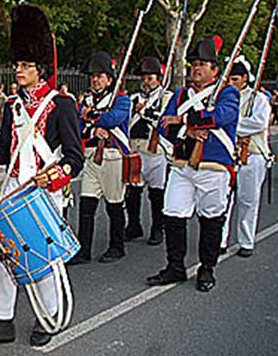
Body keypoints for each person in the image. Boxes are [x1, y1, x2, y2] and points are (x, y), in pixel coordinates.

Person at [0, 5, 84, 348]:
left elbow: (75, 157)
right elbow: (5, 151)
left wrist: (56, 176)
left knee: (41, 259)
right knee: (3, 256)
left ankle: (48, 318)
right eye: (17, 65)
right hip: (14, 187)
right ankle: (2, 321)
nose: (19, 70)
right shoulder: (14, 106)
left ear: (40, 69)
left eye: (26, 65)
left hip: (46, 192)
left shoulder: (61, 104)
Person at [146, 36, 239, 293]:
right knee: (173, 214)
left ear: (215, 70)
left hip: (214, 167)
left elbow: (223, 116)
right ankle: (175, 266)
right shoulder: (180, 94)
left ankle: (207, 268)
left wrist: (184, 119)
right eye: (194, 63)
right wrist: (186, 131)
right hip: (182, 165)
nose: (196, 68)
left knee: (211, 219)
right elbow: (164, 125)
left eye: (203, 64)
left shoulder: (227, 92)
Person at [70, 51, 132, 264]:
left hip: (113, 156)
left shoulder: (122, 100)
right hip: (91, 156)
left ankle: (117, 246)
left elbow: (114, 118)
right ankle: (83, 250)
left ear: (109, 79)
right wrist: (92, 130)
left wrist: (91, 118)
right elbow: (78, 128)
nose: (95, 80)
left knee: (115, 203)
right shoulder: (85, 100)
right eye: (93, 76)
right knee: (86, 204)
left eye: (100, 76)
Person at [220, 57, 270, 257]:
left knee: (248, 200)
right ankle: (219, 240)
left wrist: (231, 124)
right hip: (227, 154)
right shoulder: (221, 98)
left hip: (252, 155)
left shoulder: (258, 99)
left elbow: (258, 123)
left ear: (244, 79)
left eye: (234, 79)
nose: (230, 84)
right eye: (228, 79)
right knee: (222, 201)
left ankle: (246, 241)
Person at [125, 57, 173, 245]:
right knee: (133, 192)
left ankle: (157, 228)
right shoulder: (133, 98)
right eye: (144, 78)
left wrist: (144, 111)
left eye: (150, 78)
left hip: (155, 151)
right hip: (135, 148)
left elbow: (163, 121)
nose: (146, 82)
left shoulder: (166, 97)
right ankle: (134, 225)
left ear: (158, 79)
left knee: (156, 192)